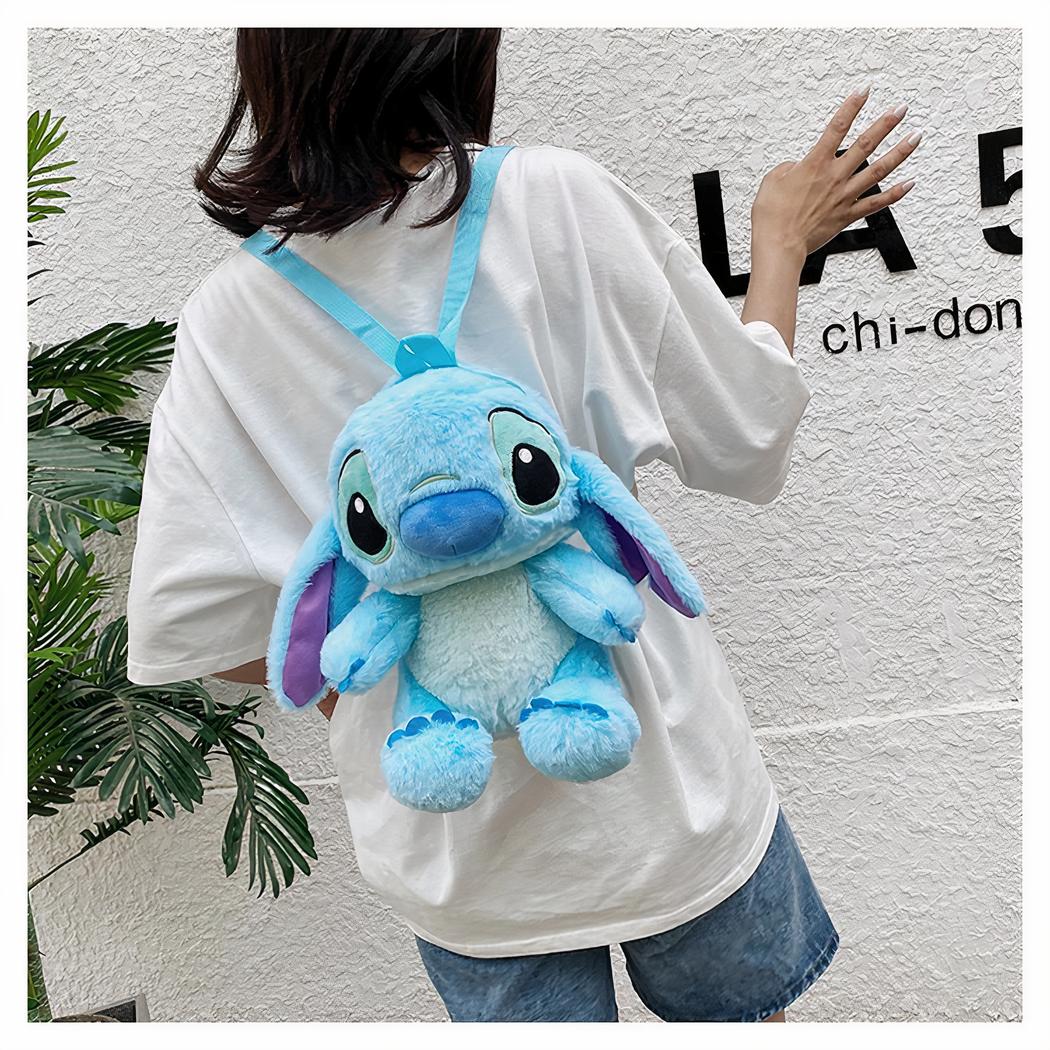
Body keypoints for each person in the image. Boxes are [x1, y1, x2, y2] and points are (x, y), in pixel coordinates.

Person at [126, 28, 919, 1022]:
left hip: (460, 849)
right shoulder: (555, 200)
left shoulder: (229, 319)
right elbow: (747, 432)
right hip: (667, 792)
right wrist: (781, 240)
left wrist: (398, 672)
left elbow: (212, 629)